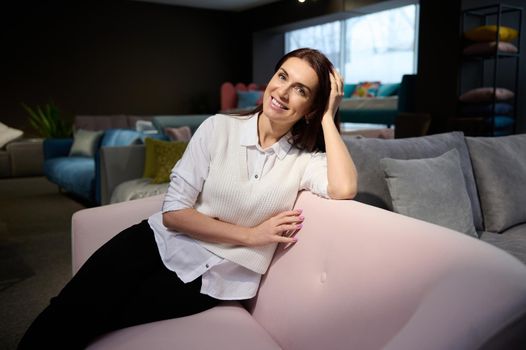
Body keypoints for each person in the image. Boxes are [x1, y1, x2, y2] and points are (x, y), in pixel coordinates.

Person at [18, 47, 358, 349]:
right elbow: (173, 214)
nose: (282, 91)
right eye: (282, 76)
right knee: (67, 310)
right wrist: (251, 236)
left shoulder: (303, 161)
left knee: (100, 319)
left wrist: (329, 116)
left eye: (301, 90)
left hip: (210, 282)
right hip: (153, 243)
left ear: (311, 108)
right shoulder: (217, 128)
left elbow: (344, 188)